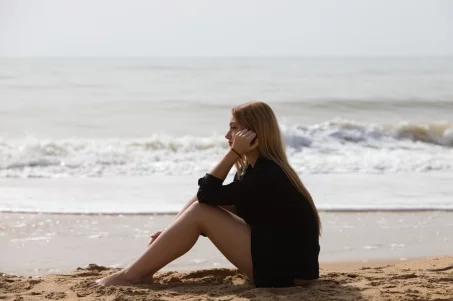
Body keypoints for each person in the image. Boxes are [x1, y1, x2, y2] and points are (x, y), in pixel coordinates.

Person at [93, 101, 321, 288]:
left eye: (233, 128)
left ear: (252, 134)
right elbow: (209, 197)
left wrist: (233, 153)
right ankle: (141, 270)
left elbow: (207, 194)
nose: (226, 135)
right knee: (202, 205)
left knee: (201, 209)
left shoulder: (267, 174)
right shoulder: (256, 170)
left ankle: (131, 276)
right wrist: (171, 232)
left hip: (288, 274)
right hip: (282, 262)